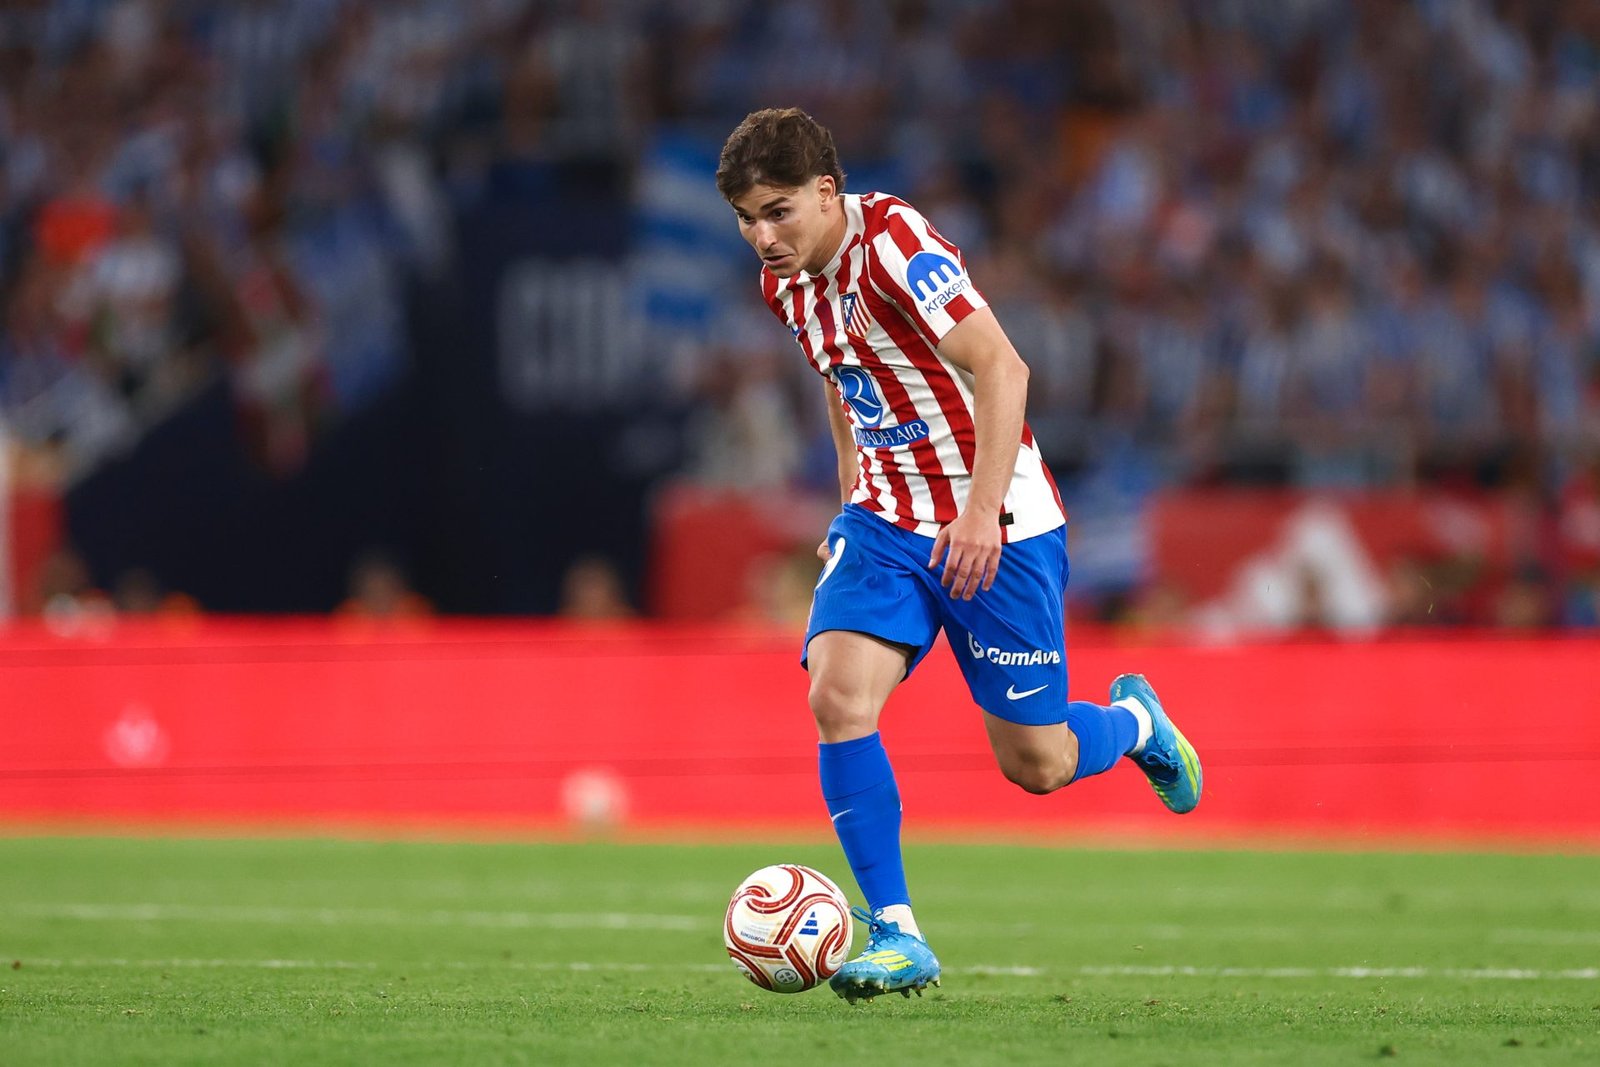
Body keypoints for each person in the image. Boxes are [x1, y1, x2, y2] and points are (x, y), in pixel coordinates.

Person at [715, 108, 1203, 1005]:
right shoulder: (785, 286)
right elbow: (844, 381)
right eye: (748, 219)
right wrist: (850, 498)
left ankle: (1136, 725)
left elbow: (1004, 367)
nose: (764, 237)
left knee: (1038, 763)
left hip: (997, 520)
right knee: (836, 697)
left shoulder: (895, 243)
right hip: (885, 521)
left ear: (827, 191)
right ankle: (897, 931)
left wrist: (979, 512)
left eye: (779, 212)